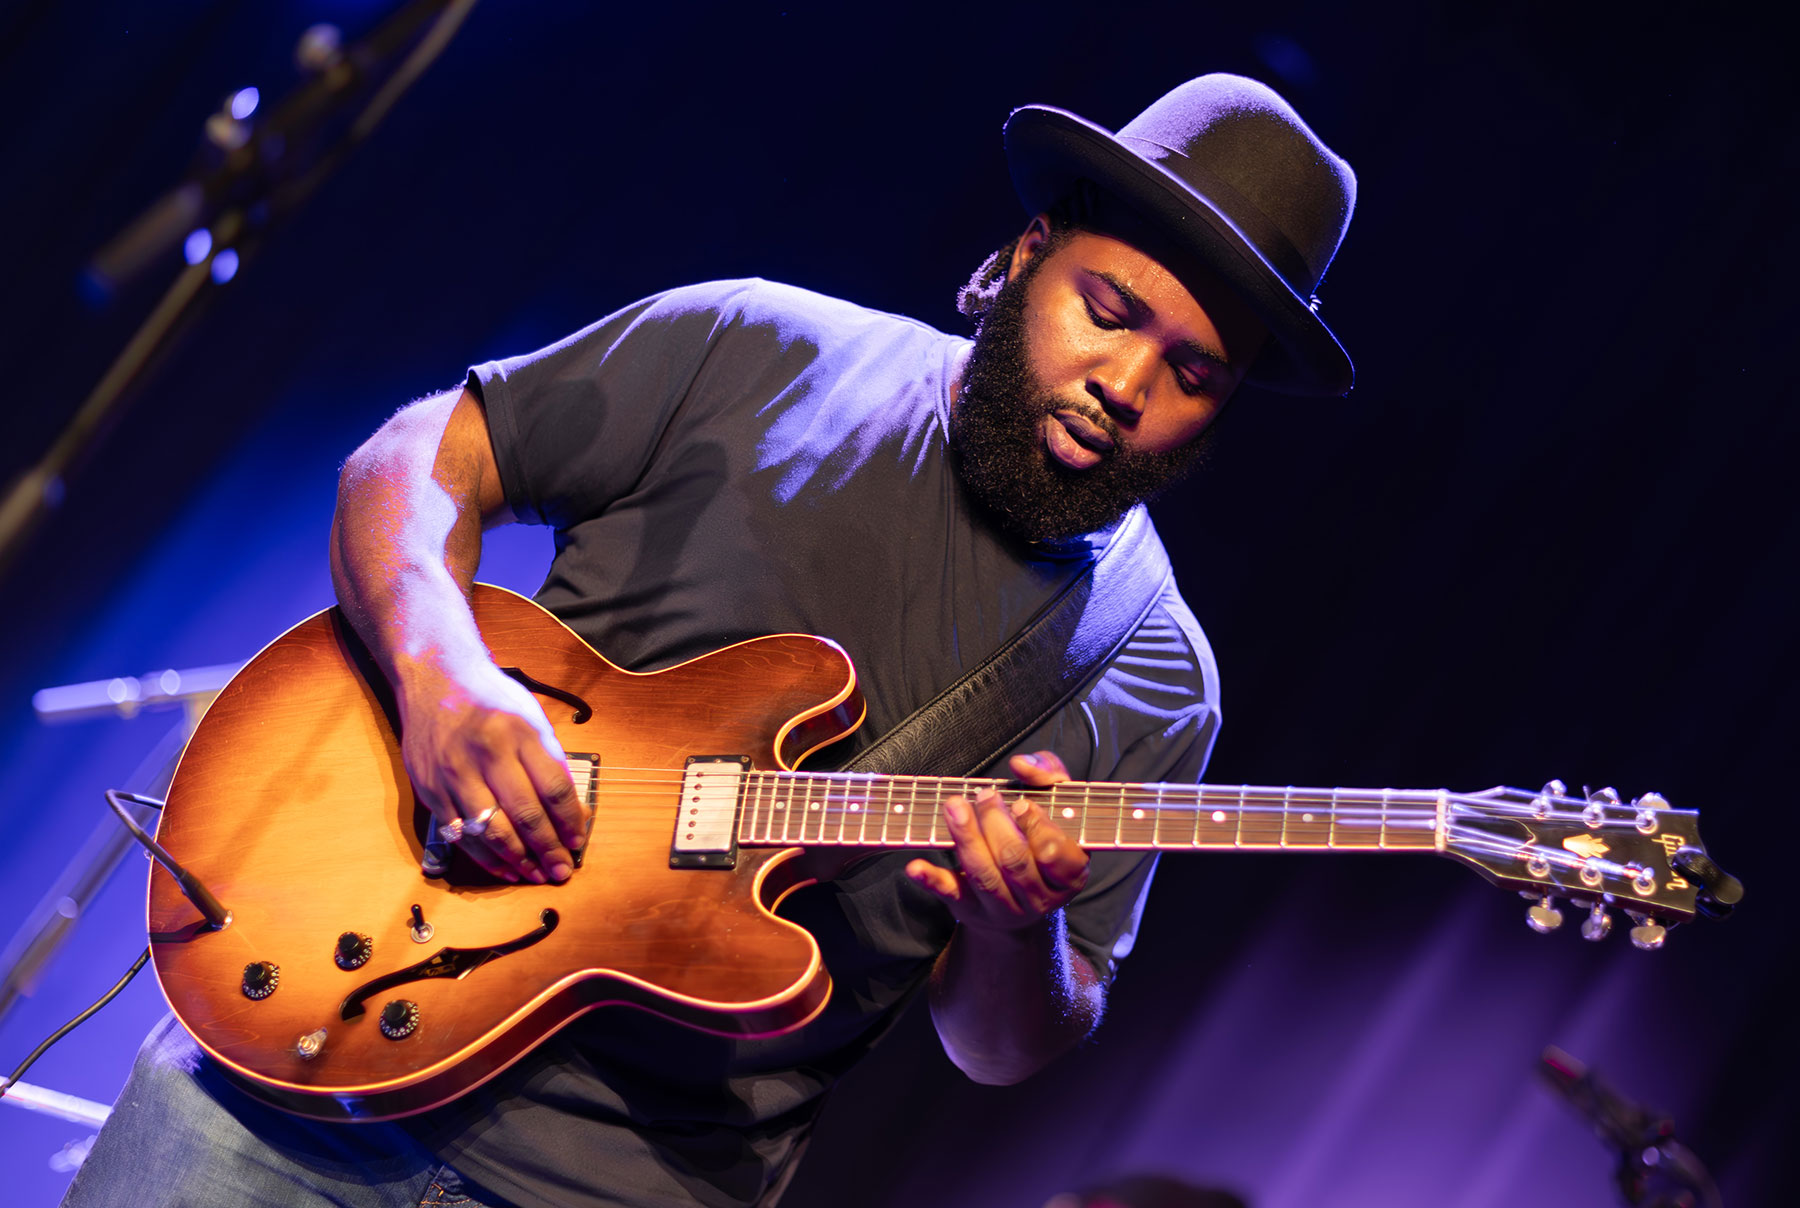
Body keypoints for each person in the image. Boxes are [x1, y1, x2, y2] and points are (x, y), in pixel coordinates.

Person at [61, 74, 1355, 1208]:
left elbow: (1001, 1047)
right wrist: (441, 675)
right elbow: (414, 463)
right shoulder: (759, 346)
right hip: (299, 1063)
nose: (1125, 386)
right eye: (1110, 310)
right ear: (1028, 254)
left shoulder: (1155, 674)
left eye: (1193, 375)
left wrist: (1019, 931)